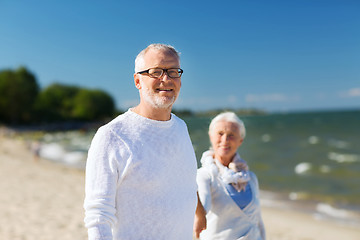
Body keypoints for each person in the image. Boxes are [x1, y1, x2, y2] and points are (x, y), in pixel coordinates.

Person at [83, 43, 206, 240]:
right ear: (137, 81)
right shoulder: (112, 135)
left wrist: (200, 213)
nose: (166, 79)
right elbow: (98, 217)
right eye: (156, 72)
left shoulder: (181, 127)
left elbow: (186, 182)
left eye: (173, 72)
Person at [195, 112, 266, 240]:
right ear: (211, 136)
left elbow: (258, 221)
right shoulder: (205, 175)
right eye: (220, 133)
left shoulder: (250, 178)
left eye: (231, 135)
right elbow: (203, 209)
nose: (225, 140)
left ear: (240, 141)